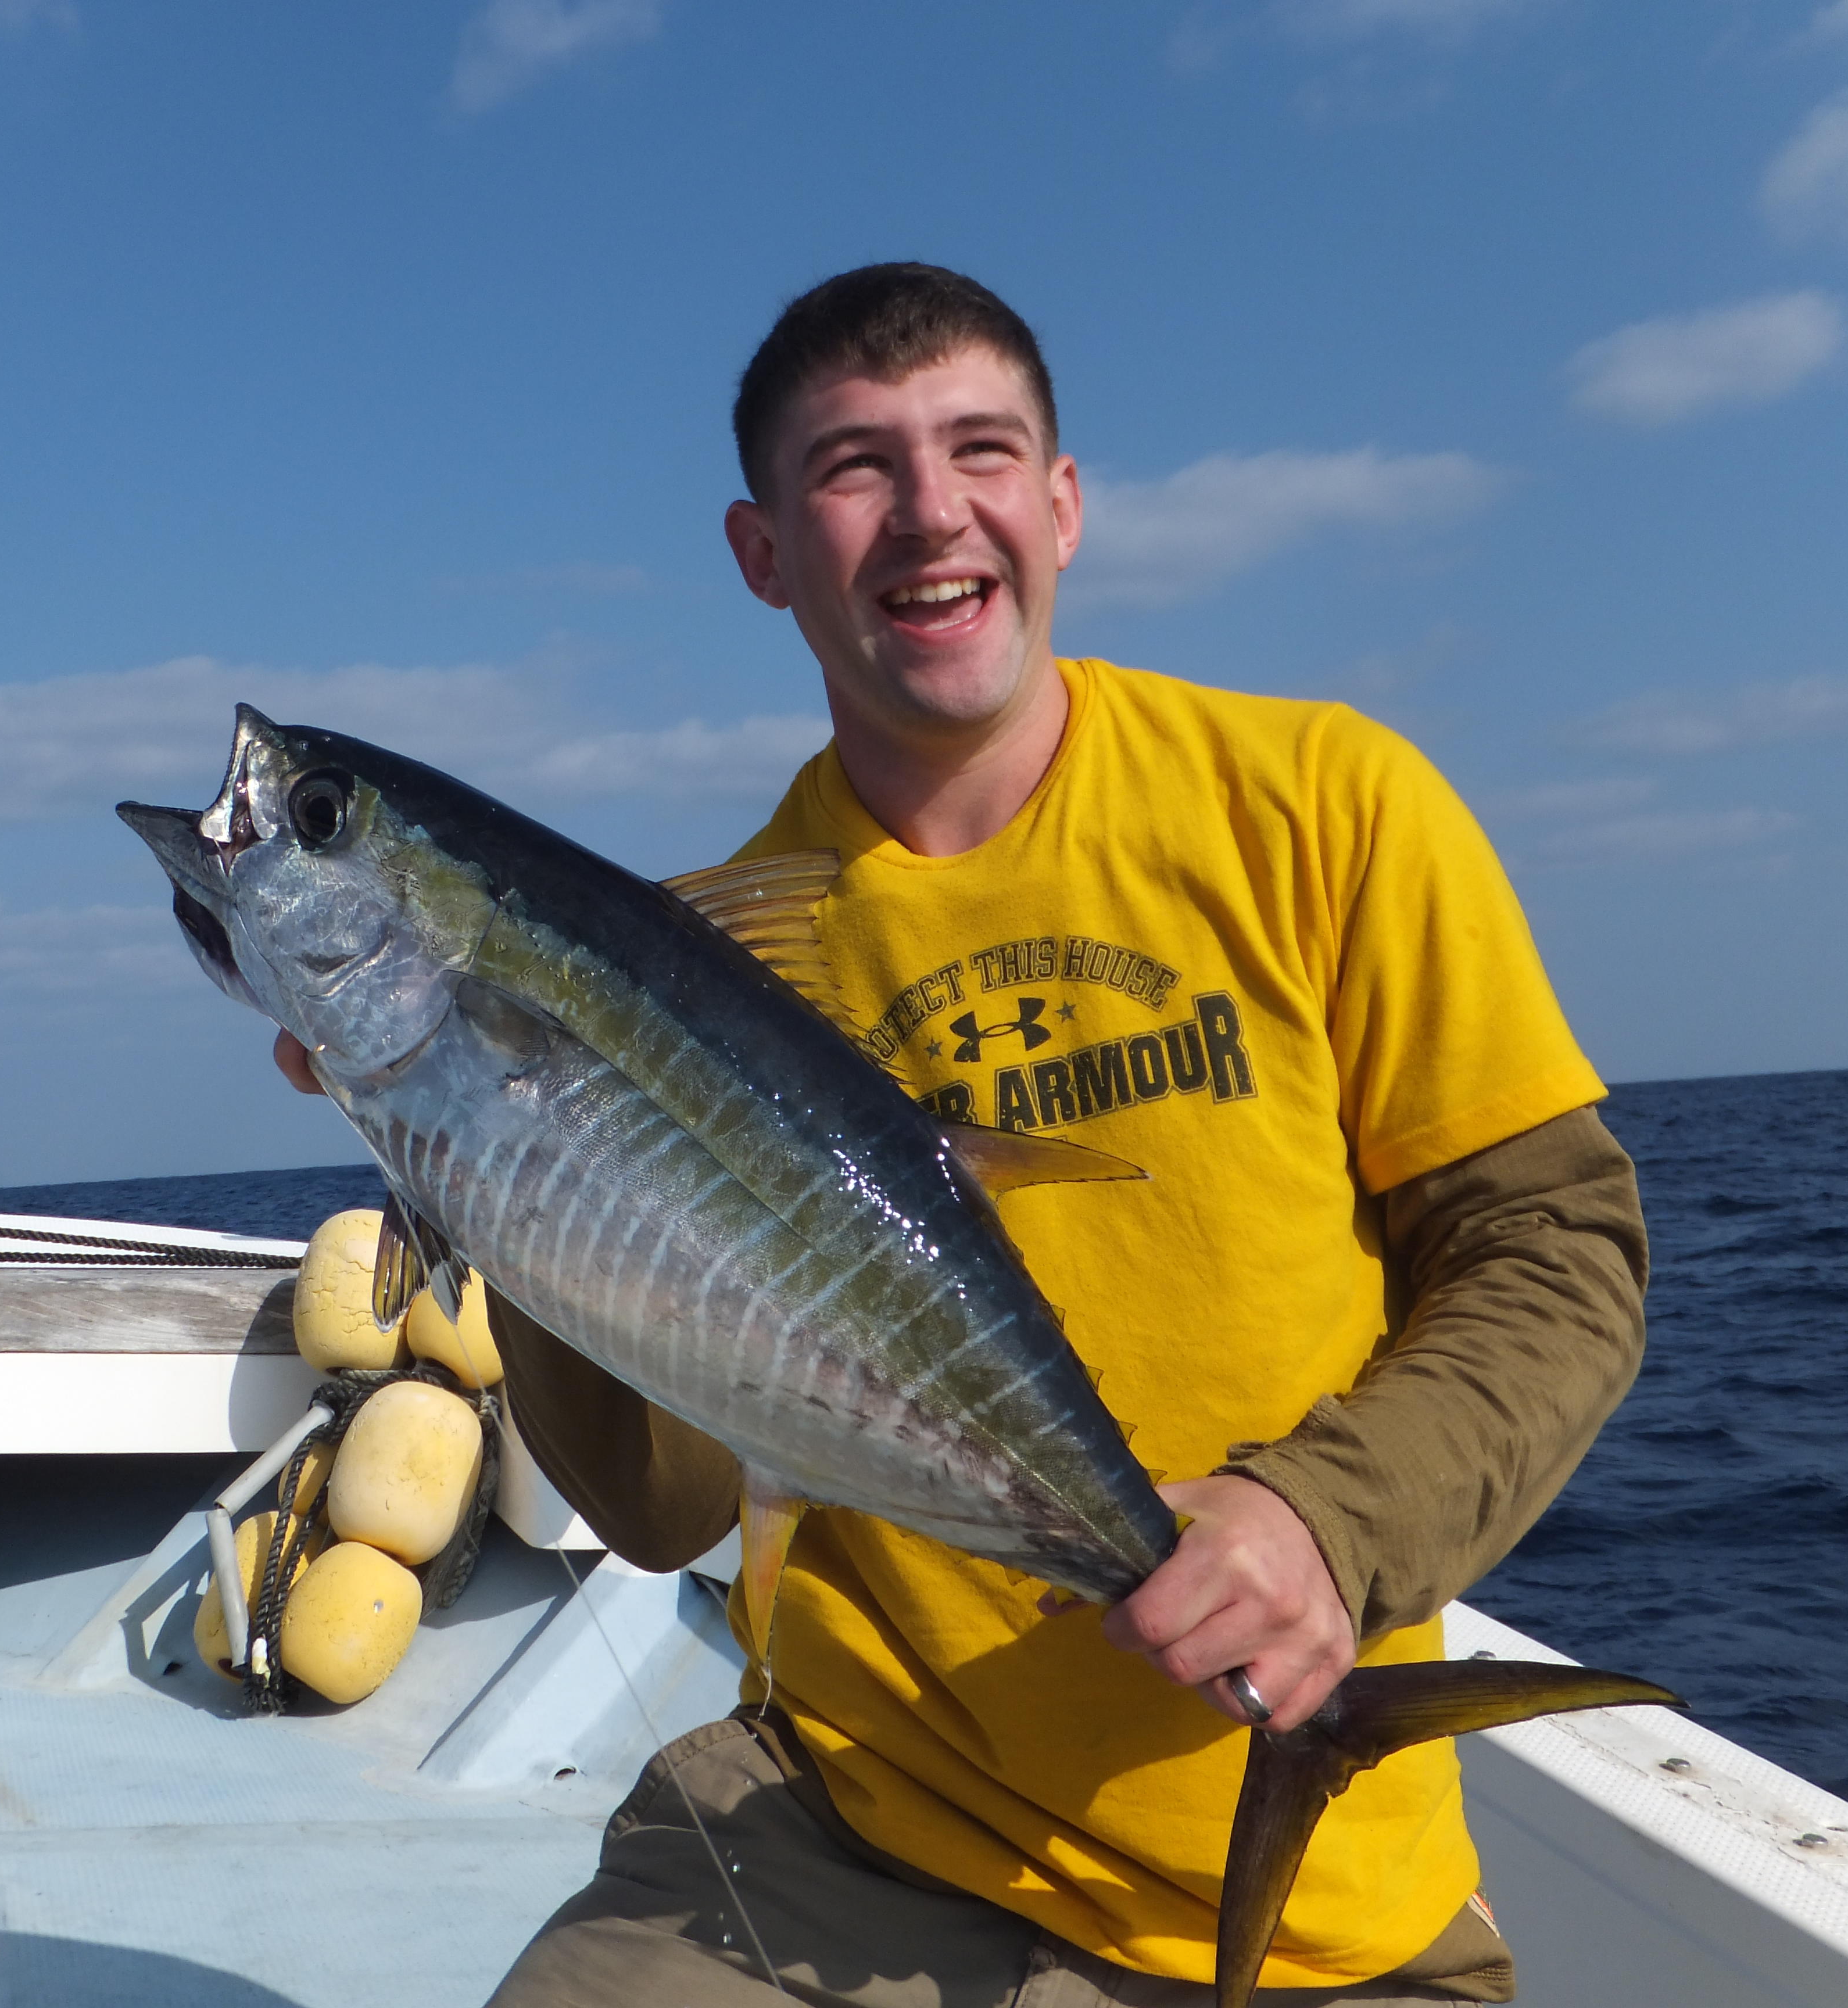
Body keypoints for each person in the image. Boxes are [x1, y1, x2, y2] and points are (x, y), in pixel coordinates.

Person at [274, 263, 1648, 2007]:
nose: (932, 511)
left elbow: (1562, 1253)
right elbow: (655, 1503)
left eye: (981, 449)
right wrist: (475, 1148)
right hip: (846, 1823)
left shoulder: (1327, 805)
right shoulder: (706, 955)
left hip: (1296, 1914)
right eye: (853, 467)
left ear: (1062, 505)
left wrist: (1326, 1525)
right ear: (763, 551)